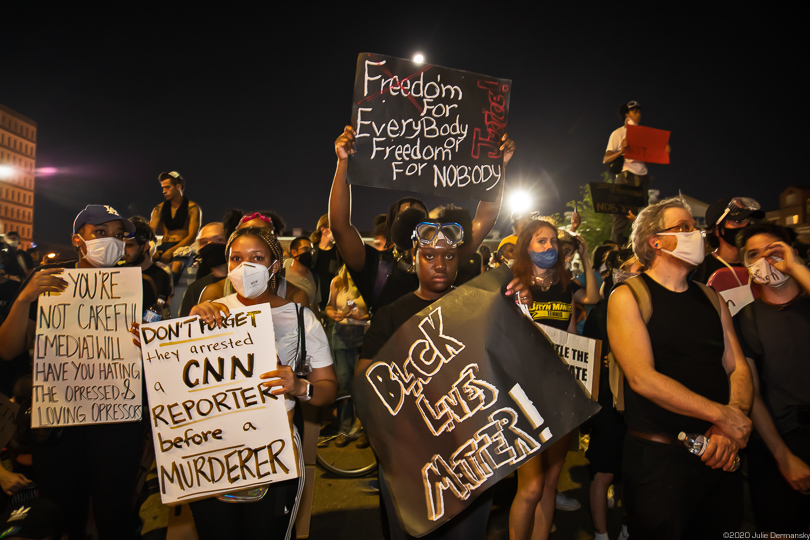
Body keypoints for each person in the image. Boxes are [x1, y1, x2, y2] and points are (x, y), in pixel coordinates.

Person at [356, 209, 528, 540]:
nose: (440, 264)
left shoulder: (479, 306)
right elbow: (365, 386)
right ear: (413, 258)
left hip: (471, 453)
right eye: (430, 255)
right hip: (409, 457)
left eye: (449, 255)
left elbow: (512, 360)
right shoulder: (391, 315)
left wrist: (518, 303)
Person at [606, 197, 753, 538]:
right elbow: (643, 379)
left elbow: (738, 367)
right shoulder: (629, 296)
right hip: (660, 465)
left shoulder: (711, 297)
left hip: (720, 455)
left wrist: (727, 425)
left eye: (696, 227)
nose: (696, 234)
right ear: (655, 241)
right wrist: (724, 416)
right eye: (684, 228)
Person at [0, 204, 145, 539]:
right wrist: (24, 300)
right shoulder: (48, 283)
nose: (112, 241)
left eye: (119, 235)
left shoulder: (139, 287)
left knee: (115, 512)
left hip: (116, 418)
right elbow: (7, 349)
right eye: (100, 233)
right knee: (62, 513)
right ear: (78, 239)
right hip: (59, 421)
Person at [188, 226, 337, 540]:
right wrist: (189, 330)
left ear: (275, 265)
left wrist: (300, 387)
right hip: (213, 457)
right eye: (236, 258)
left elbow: (327, 389)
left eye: (257, 258)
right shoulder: (211, 314)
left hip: (273, 456)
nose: (245, 266)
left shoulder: (301, 319)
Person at [329, 125, 514, 313]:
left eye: (421, 219)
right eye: (406, 217)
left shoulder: (447, 259)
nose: (415, 226)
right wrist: (343, 162)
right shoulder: (376, 266)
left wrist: (498, 167)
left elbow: (485, 218)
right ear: (393, 227)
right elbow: (339, 226)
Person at [509, 219, 599, 540]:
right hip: (527, 394)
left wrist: (586, 258)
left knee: (549, 484)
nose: (549, 247)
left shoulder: (565, 284)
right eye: (541, 241)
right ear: (526, 247)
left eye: (552, 241)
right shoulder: (515, 285)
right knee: (531, 487)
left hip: (561, 390)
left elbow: (586, 308)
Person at [735, 223, 810, 533]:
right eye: (754, 254)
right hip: (779, 444)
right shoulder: (745, 320)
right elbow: (751, 393)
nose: (765, 260)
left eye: (774, 251)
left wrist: (796, 267)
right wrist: (783, 457)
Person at [603, 101, 670, 244]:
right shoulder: (618, 133)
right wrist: (621, 151)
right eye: (634, 111)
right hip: (626, 177)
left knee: (642, 216)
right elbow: (606, 158)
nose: (638, 114)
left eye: (639, 111)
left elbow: (647, 158)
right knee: (621, 217)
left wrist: (662, 151)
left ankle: (640, 247)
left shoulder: (644, 134)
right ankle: (617, 249)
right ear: (626, 114)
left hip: (642, 178)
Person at [324, 264, 369, 446]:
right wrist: (332, 314)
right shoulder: (337, 281)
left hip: (363, 334)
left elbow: (376, 310)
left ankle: (363, 428)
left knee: (362, 384)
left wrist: (364, 316)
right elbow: (329, 306)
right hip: (341, 332)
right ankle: (344, 429)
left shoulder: (367, 279)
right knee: (343, 384)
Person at [691, 196, 764, 284]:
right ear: (718, 230)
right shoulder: (700, 271)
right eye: (738, 221)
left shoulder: (757, 264)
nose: (747, 226)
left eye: (749, 221)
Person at [149, 171, 201, 282]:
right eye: (163, 188)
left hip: (182, 248)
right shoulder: (159, 209)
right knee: (144, 260)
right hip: (164, 246)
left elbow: (192, 236)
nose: (164, 191)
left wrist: (171, 251)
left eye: (167, 187)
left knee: (176, 265)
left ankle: (164, 296)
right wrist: (153, 249)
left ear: (178, 186)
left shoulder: (192, 208)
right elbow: (150, 232)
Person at [179, 221, 228, 317]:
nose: (210, 245)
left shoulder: (243, 282)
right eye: (204, 242)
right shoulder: (195, 288)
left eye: (219, 240)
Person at [123, 216, 172, 308]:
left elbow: (158, 309)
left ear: (145, 246)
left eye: (129, 245)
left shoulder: (160, 276)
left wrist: (143, 322)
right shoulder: (117, 271)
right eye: (122, 246)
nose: (124, 251)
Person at [284, 236, 318, 309]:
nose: (309, 253)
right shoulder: (282, 275)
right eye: (305, 249)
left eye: (311, 250)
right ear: (294, 252)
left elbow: (315, 307)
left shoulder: (314, 277)